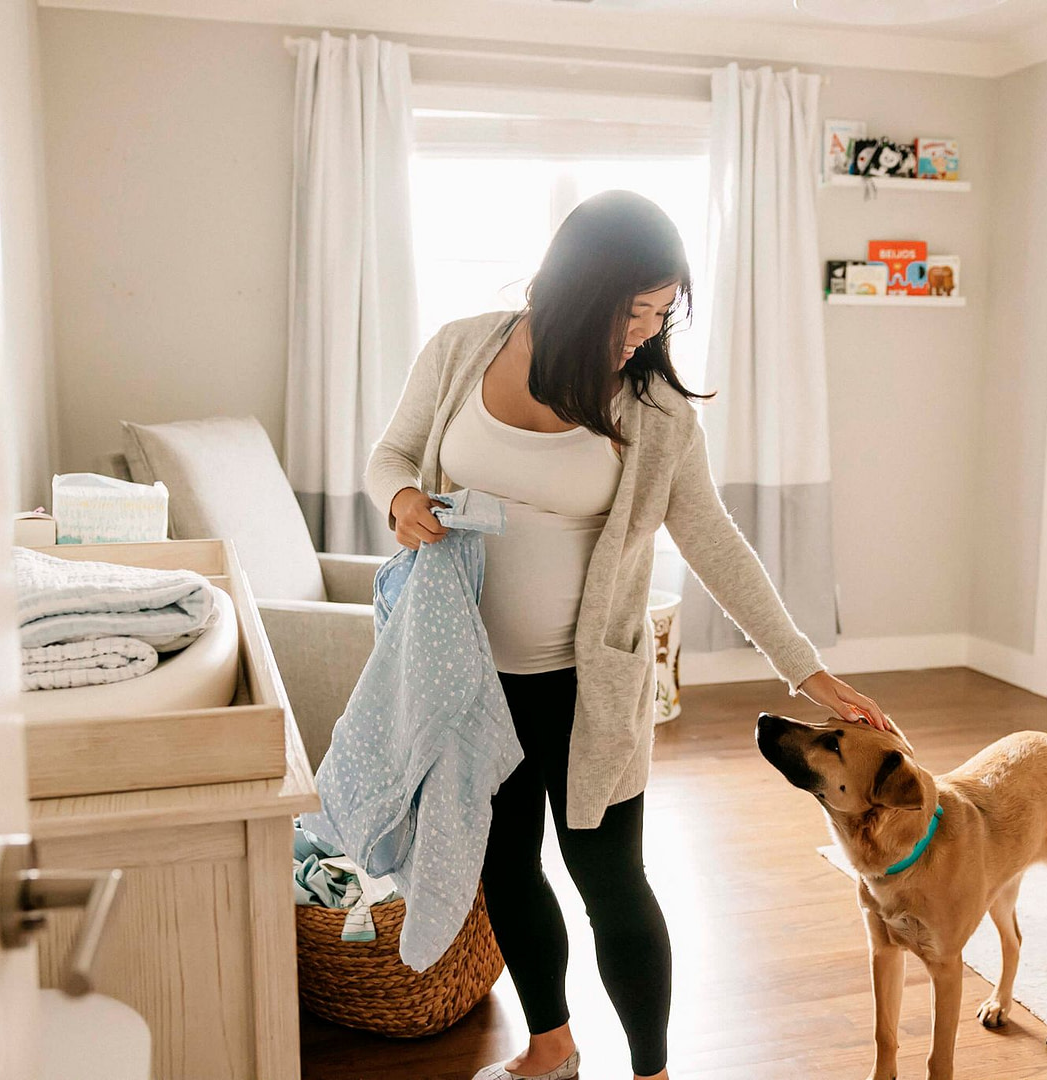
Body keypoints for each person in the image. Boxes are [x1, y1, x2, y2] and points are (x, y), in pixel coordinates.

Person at [364, 190, 891, 1080]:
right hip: (467, 679)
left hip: (589, 688)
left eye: (661, 314)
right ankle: (551, 1046)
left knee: (612, 884)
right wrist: (403, 497)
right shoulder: (463, 348)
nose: (644, 334)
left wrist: (807, 671)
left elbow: (713, 541)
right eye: (631, 311)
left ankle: (652, 1072)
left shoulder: (656, 409)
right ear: (576, 289)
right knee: (506, 868)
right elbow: (391, 453)